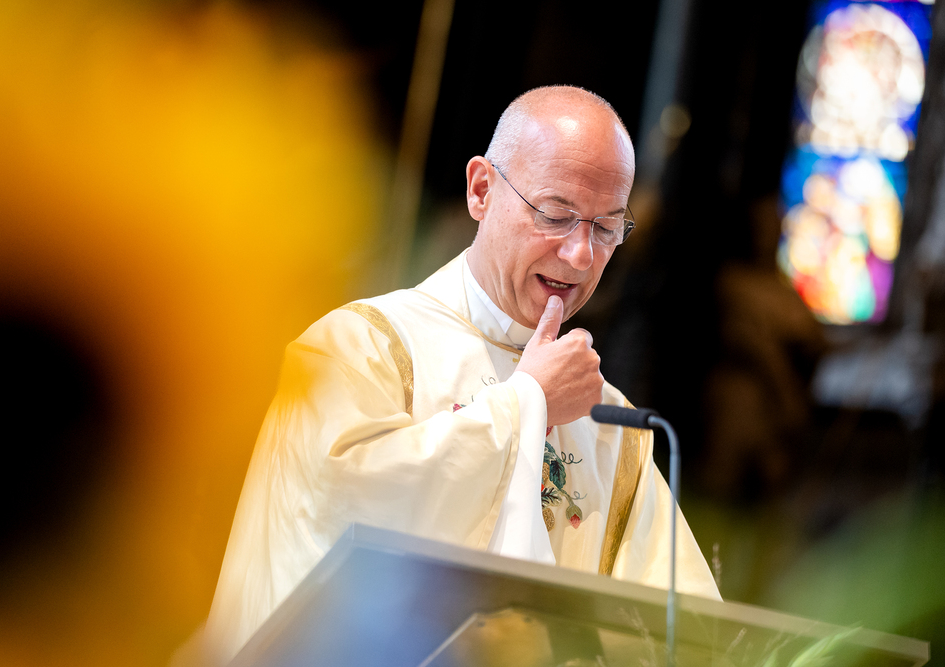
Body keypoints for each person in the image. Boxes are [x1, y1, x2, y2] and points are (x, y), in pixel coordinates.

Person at [202, 85, 720, 664]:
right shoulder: (361, 347)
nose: (581, 255)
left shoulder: (606, 418)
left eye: (606, 229)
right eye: (556, 215)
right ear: (481, 190)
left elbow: (683, 628)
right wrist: (529, 402)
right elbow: (341, 522)